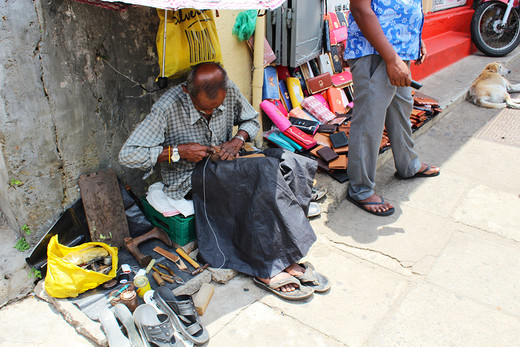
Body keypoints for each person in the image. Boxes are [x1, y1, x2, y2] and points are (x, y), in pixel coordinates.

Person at [119, 62, 329, 299]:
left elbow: (251, 120)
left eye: (216, 108)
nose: (210, 113)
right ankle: (266, 267)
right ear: (188, 91)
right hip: (190, 176)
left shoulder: (228, 89)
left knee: (292, 163)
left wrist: (238, 139)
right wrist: (177, 152)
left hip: (226, 159)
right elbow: (128, 155)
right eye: (203, 110)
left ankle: (286, 255)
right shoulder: (167, 107)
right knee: (261, 175)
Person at [344, 0, 440, 216]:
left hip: (398, 54)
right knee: (369, 121)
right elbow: (360, 9)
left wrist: (416, 39)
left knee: (401, 111)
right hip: (377, 53)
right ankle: (360, 189)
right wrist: (391, 58)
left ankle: (408, 165)